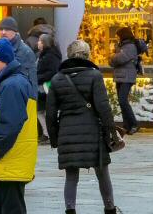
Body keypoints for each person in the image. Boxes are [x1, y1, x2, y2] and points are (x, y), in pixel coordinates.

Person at [46, 40, 120, 214]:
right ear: (87, 55)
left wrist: (55, 139)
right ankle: (109, 208)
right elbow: (103, 108)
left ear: (69, 55)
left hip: (67, 133)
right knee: (102, 172)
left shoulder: (56, 79)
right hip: (93, 132)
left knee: (71, 176)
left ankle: (70, 209)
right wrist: (112, 132)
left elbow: (50, 114)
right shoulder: (94, 76)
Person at [0, 38, 38, 214]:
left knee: (10, 207)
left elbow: (10, 123)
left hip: (8, 159)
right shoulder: (7, 83)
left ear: (5, 60)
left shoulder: (12, 84)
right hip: (7, 160)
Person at [109, 27, 141, 135]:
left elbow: (119, 59)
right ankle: (127, 126)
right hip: (121, 76)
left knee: (123, 100)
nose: (117, 37)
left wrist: (113, 56)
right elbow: (113, 61)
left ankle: (134, 124)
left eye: (118, 35)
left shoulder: (130, 46)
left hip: (127, 76)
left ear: (123, 35)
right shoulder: (122, 46)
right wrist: (114, 57)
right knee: (121, 102)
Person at [0, 17, 38, 92]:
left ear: (15, 31)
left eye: (7, 29)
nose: (3, 32)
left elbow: (32, 81)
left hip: (19, 95)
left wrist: (32, 101)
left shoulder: (26, 52)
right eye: (1, 29)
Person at [36, 33, 61, 142]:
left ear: (44, 43)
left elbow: (52, 72)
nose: (38, 43)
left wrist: (37, 78)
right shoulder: (44, 54)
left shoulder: (50, 55)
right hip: (42, 87)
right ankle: (47, 133)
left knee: (45, 110)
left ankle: (49, 133)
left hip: (47, 86)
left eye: (40, 41)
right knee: (41, 110)